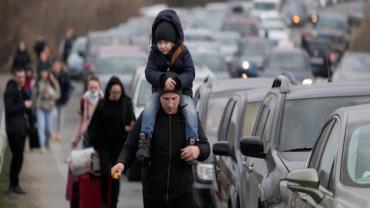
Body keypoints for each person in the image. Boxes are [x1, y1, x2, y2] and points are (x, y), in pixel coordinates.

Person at [111, 87, 210, 208]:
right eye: (165, 99)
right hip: (153, 192)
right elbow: (130, 146)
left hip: (183, 192)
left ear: (181, 98)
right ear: (158, 98)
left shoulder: (190, 118)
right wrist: (121, 163)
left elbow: (206, 148)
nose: (170, 104)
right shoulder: (147, 117)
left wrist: (197, 150)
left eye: (174, 99)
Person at [138, 9, 197, 160]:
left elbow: (190, 73)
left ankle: (191, 141)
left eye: (165, 43)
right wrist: (163, 79)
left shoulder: (183, 52)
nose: (162, 46)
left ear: (173, 41)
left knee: (191, 111)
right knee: (149, 108)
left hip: (183, 92)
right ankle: (145, 140)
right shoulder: (154, 53)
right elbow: (149, 72)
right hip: (160, 92)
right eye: (159, 43)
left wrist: (177, 81)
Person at [87, 76, 135, 208]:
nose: (116, 95)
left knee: (116, 175)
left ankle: (113, 203)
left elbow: (132, 121)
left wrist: (129, 128)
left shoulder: (126, 102)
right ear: (108, 91)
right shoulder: (102, 103)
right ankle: (103, 201)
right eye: (113, 93)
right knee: (104, 172)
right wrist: (92, 141)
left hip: (119, 144)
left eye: (118, 93)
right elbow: (94, 124)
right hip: (103, 143)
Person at [4, 68, 32, 194]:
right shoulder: (10, 90)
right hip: (13, 129)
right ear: (15, 77)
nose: (22, 79)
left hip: (21, 129)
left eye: (23, 77)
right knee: (17, 157)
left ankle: (15, 184)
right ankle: (12, 185)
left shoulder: (21, 90)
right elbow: (9, 109)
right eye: (19, 77)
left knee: (19, 157)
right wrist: (24, 105)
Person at [70, 75, 103, 149]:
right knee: (86, 159)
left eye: (95, 88)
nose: (93, 90)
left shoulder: (103, 100)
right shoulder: (84, 99)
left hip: (100, 137)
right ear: (87, 87)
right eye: (91, 87)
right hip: (87, 135)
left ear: (99, 87)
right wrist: (75, 139)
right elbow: (81, 121)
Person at [33, 65, 60, 153]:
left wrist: (50, 95)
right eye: (42, 72)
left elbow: (58, 94)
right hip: (40, 106)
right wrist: (34, 106)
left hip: (50, 107)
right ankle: (42, 145)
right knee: (41, 126)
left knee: (48, 128)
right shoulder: (37, 82)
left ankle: (47, 142)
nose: (44, 74)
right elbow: (34, 95)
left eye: (45, 72)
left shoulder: (53, 81)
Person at [51, 59, 72, 142]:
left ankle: (58, 133)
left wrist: (67, 97)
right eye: (55, 66)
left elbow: (69, 87)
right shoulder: (50, 75)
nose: (56, 68)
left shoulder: (64, 75)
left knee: (61, 117)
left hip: (62, 100)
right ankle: (52, 132)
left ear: (60, 67)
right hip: (52, 100)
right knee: (54, 116)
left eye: (57, 66)